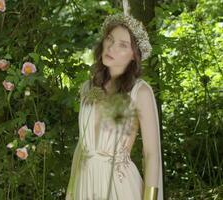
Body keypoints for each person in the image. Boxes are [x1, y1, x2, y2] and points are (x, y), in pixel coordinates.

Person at [66, 13, 163, 200]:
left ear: (134, 55)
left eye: (123, 45)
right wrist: (70, 192)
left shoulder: (140, 92)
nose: (111, 47)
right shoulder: (88, 88)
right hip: (84, 185)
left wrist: (150, 198)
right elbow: (81, 145)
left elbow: (151, 154)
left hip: (120, 187)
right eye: (109, 39)